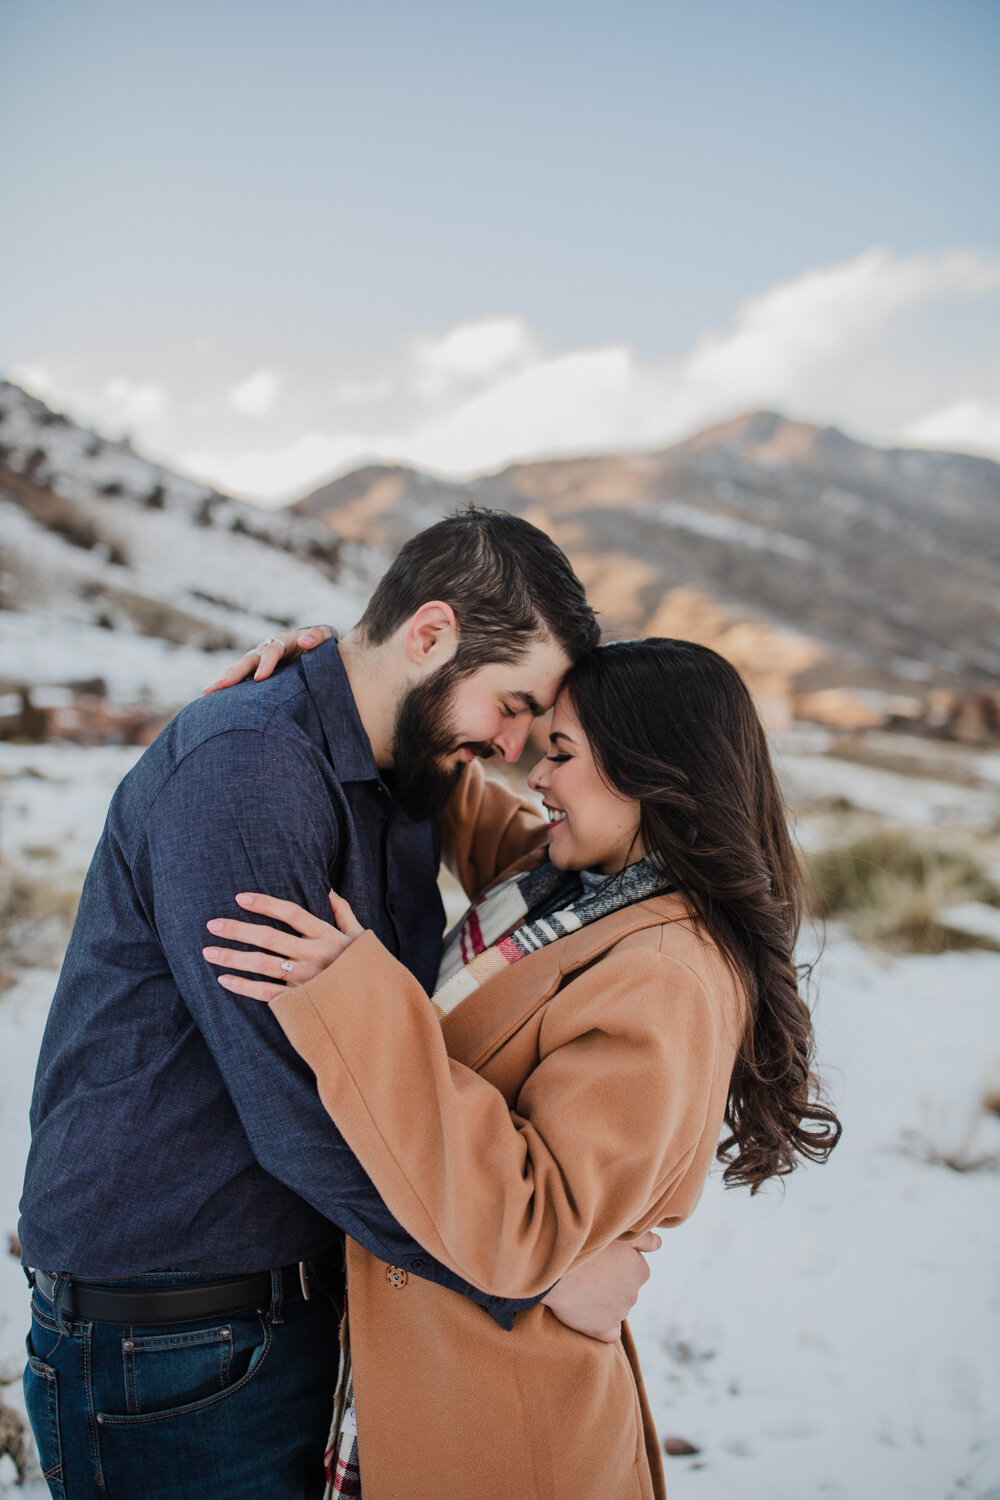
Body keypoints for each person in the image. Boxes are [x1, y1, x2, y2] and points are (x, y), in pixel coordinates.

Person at [19, 509, 656, 1500]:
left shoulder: (404, 774)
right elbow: (300, 1106)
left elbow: (560, 872)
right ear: (431, 634)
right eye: (513, 703)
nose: (511, 744)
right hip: (175, 1343)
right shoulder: (250, 770)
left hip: (286, 1311)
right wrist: (528, 1274)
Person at [205, 636, 842, 1500]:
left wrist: (358, 998)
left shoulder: (664, 971)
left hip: (500, 1419)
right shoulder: (570, 881)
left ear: (652, 773)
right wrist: (358, 670)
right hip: (430, 1372)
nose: (536, 776)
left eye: (564, 754)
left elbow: (532, 1225)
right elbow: (454, 784)